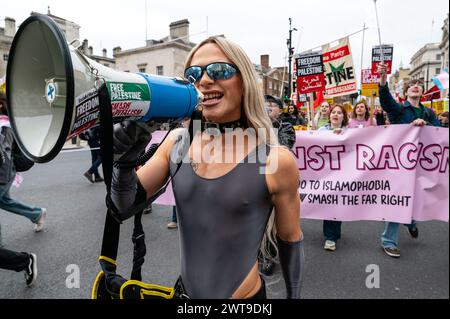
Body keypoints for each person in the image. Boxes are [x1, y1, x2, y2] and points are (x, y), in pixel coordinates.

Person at [111, 36, 304, 299]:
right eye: (193, 74)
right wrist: (125, 163)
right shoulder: (177, 144)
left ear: (245, 82)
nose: (204, 80)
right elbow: (122, 206)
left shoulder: (275, 160)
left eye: (219, 70)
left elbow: (290, 238)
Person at [377, 62, 441, 258]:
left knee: (415, 197)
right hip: (400, 164)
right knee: (398, 200)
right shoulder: (399, 110)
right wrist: (382, 80)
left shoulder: (429, 112)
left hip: (422, 163)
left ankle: (410, 221)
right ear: (406, 93)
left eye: (419, 85)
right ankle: (389, 241)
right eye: (412, 85)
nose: (416, 86)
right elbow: (386, 101)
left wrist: (426, 123)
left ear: (422, 92)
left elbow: (440, 133)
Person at [258, 95, 297, 276]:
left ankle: (268, 256)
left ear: (280, 110)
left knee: (272, 223)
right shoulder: (254, 124)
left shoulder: (285, 127)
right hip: (255, 177)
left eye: (272, 105)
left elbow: (284, 147)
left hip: (275, 179)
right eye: (265, 105)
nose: (268, 107)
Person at [0, 92, 46, 232]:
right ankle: (37, 214)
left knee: (3, 201)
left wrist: (2, 177)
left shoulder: (5, 124)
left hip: (4, 170)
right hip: (5, 169)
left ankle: (37, 214)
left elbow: (5, 152)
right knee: (4, 201)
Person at [318, 104, 349, 251]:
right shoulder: (321, 131)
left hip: (343, 174)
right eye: (333, 112)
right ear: (329, 116)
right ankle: (330, 236)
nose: (336, 115)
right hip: (325, 173)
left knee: (338, 203)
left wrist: (342, 135)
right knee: (329, 202)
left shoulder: (351, 132)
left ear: (344, 117)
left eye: (339, 113)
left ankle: (332, 236)